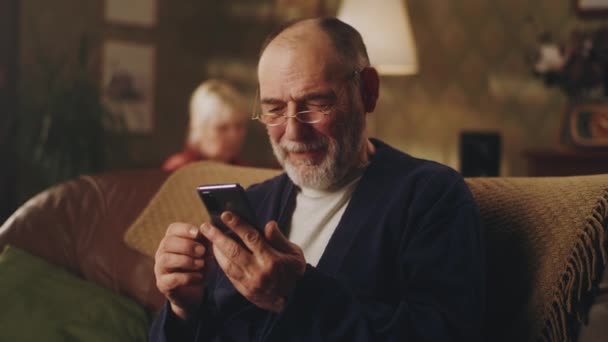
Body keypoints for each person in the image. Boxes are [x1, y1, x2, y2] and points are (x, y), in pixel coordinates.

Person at [151, 17, 485, 341]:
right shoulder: (253, 203)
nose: (293, 131)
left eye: (316, 103)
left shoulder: (430, 196)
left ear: (368, 91)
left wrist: (298, 295)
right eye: (275, 109)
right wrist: (185, 309)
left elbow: (443, 332)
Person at [162, 79, 248, 172]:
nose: (234, 136)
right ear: (198, 128)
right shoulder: (178, 171)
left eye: (239, 126)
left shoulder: (245, 170)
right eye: (222, 128)